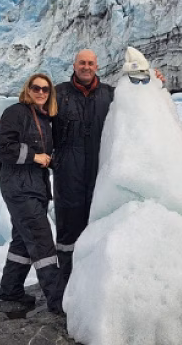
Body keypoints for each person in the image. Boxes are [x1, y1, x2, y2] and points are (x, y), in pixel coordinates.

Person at [51, 48, 164, 282]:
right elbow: (33, 112)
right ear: (74, 65)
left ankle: (94, 281)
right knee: (68, 230)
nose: (86, 67)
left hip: (100, 171)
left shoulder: (109, 95)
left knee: (99, 224)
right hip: (67, 174)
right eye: (82, 62)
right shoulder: (58, 94)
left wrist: (155, 83)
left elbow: (138, 102)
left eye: (90, 63)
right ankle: (66, 283)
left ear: (97, 66)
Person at [0, 73, 65, 314]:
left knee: (23, 241)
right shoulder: (16, 112)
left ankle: (11, 290)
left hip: (35, 187)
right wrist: (34, 156)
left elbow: (44, 153)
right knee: (43, 244)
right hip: (19, 187)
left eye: (46, 89)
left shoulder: (44, 118)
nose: (41, 92)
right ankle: (59, 302)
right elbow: (3, 147)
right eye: (36, 88)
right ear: (28, 89)